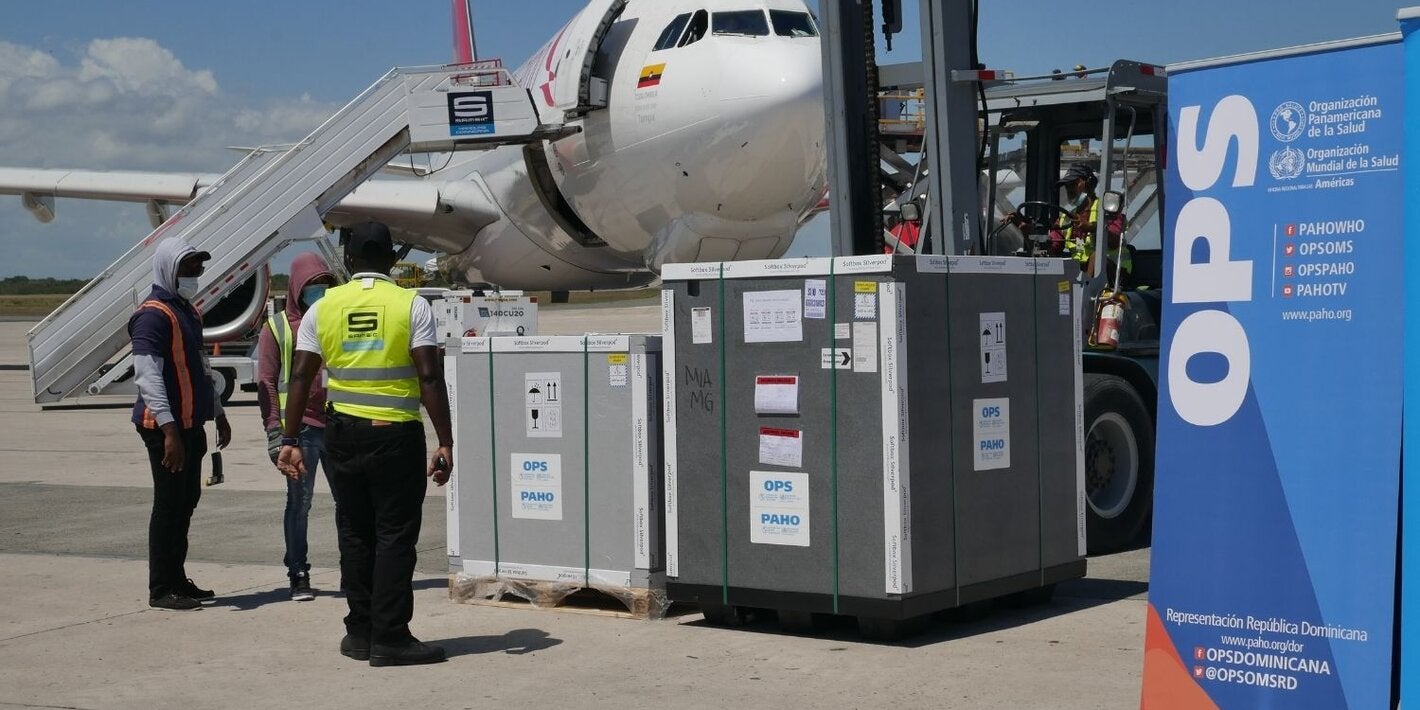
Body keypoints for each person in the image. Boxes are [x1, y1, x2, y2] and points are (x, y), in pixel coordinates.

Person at [277, 222, 453, 666]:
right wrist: (446, 440)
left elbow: (300, 376)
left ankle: (359, 632)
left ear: (348, 260)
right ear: (392, 259)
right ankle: (391, 636)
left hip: (340, 435)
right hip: (394, 434)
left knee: (354, 532)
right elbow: (429, 376)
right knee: (394, 535)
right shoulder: (410, 305)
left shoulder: (324, 308)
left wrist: (290, 437)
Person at [129, 238, 232, 610]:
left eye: (198, 268)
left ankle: (177, 579)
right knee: (169, 504)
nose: (196, 275)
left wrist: (218, 411)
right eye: (188, 268)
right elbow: (147, 375)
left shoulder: (189, 311)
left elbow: (202, 369)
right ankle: (161, 588)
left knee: (187, 501)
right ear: (169, 270)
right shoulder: (153, 315)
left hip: (191, 424)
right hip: (165, 429)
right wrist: (169, 430)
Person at [257, 253, 338, 602]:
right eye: (310, 287)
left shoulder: (336, 318)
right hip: (300, 429)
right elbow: (267, 382)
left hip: (338, 423)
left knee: (348, 503)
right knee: (299, 503)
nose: (318, 293)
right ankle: (298, 572)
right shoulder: (276, 328)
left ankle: (353, 567)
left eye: (324, 285)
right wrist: (275, 430)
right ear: (295, 289)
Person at [1051, 162, 1129, 280]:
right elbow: (1052, 249)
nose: (1069, 189)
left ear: (1090, 184)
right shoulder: (1065, 218)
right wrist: (1027, 231)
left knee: (1097, 255)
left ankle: (1085, 292)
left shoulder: (1109, 212)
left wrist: (1093, 228)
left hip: (1116, 274)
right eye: (1067, 186)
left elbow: (1114, 242)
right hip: (1079, 273)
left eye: (1074, 184)